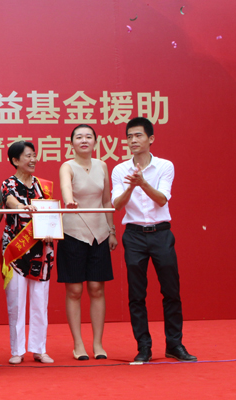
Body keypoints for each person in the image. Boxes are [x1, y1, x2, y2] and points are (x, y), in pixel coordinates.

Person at [111, 117, 196, 362]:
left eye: (138, 135)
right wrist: (131, 186)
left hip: (161, 234)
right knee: (136, 294)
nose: (133, 140)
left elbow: (161, 199)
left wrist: (143, 183)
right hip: (134, 236)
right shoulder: (120, 170)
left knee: (171, 291)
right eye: (129, 136)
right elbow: (117, 205)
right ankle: (144, 348)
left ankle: (174, 345)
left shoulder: (164, 166)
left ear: (151, 139)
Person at [57, 125, 117, 361]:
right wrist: (69, 201)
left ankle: (98, 343)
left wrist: (111, 231)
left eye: (88, 137)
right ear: (71, 143)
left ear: (95, 142)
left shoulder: (102, 165)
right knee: (74, 290)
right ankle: (78, 344)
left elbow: (106, 201)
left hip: (99, 234)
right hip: (74, 233)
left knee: (96, 288)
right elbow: (65, 187)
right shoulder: (67, 166)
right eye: (79, 137)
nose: (84, 140)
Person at [1, 141, 55, 365]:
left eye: (34, 155)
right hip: (16, 250)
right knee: (16, 302)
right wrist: (22, 207)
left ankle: (39, 349)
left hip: (42, 250)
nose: (33, 160)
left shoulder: (44, 186)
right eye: (27, 156)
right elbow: (10, 201)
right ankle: (17, 350)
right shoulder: (8, 184)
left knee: (40, 301)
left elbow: (51, 213)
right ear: (15, 160)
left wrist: (52, 230)